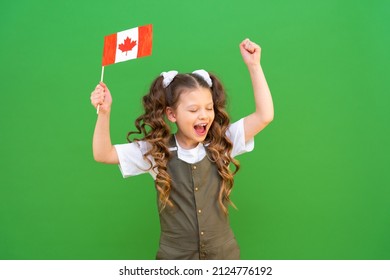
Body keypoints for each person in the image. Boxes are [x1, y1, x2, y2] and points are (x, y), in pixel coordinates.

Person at [90, 38, 274, 260]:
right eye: (194, 110)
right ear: (172, 114)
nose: (204, 115)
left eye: (209, 108)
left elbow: (265, 116)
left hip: (223, 257)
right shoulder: (156, 151)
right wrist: (104, 112)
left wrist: (254, 66)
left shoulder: (222, 142)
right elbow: (103, 154)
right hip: (175, 259)